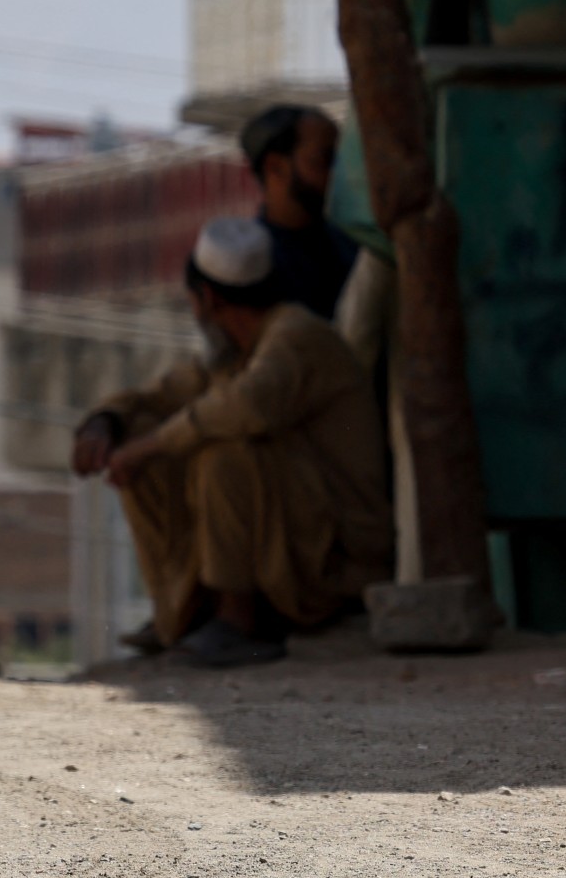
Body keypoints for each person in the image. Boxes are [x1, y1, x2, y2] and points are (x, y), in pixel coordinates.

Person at [70, 215, 392, 668]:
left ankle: (239, 621)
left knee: (225, 453)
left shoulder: (298, 337)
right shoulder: (233, 355)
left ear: (207, 299)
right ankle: (184, 612)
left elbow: (243, 409)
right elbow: (159, 398)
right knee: (146, 435)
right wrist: (107, 420)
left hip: (338, 561)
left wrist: (146, 449)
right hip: (302, 545)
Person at [240, 103, 357, 321]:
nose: (339, 174)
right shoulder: (256, 265)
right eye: (326, 160)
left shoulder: (352, 240)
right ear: (275, 166)